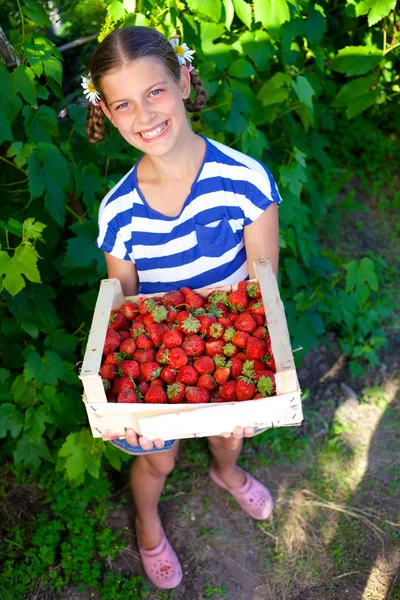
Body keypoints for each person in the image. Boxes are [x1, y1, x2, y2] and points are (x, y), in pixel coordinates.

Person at [83, 26, 282, 590]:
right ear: (108, 113)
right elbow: (122, 314)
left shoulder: (244, 181)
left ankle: (227, 471)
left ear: (185, 80)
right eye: (123, 103)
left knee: (228, 432)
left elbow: (263, 290)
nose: (143, 114)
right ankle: (147, 518)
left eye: (155, 91)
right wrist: (127, 403)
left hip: (229, 346)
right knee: (158, 459)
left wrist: (258, 382)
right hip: (156, 365)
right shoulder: (119, 212)